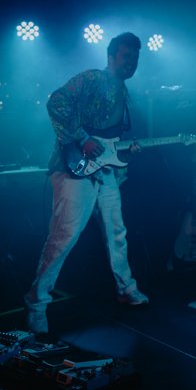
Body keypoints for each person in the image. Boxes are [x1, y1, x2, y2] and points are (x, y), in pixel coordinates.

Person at [25, 32, 149, 336]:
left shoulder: (126, 93)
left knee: (116, 233)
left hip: (105, 173)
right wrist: (82, 139)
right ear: (111, 56)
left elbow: (111, 140)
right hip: (74, 169)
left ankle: (126, 289)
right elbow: (56, 102)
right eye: (126, 56)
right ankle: (37, 304)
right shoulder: (92, 78)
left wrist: (124, 152)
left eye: (135, 57)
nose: (131, 62)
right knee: (64, 236)